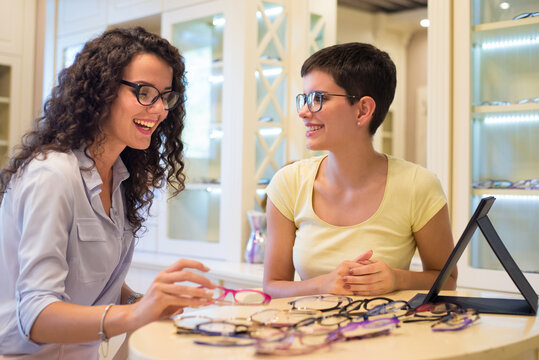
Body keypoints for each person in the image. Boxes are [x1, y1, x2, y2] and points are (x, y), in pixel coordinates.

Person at [0, 27, 217, 358]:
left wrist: (143, 302)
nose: (159, 110)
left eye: (165, 96)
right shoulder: (52, 176)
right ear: (101, 90)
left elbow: (94, 287)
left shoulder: (119, 177)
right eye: (144, 92)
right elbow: (36, 315)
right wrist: (134, 315)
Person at [263, 42, 457, 299]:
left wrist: (397, 278)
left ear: (363, 110)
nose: (303, 112)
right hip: (309, 335)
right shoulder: (288, 183)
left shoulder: (417, 185)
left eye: (318, 98)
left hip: (393, 335)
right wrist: (322, 284)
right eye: (305, 98)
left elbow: (447, 279)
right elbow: (273, 285)